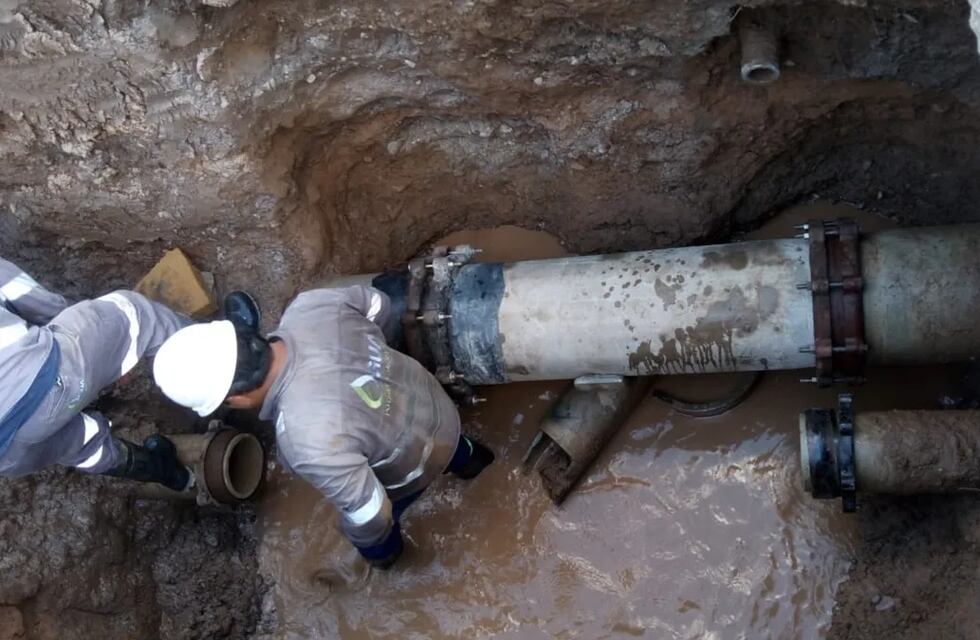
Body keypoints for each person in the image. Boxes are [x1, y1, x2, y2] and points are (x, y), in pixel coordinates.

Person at [152, 285, 495, 568]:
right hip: (435, 405)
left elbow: (373, 511)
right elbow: (380, 304)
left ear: (235, 399)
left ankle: (394, 562)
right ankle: (481, 466)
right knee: (456, 449)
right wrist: (369, 351)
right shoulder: (309, 305)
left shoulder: (304, 437)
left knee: (374, 534)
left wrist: (362, 541)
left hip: (411, 468)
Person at [0, 256, 194, 490]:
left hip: (9, 455)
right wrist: (111, 356)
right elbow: (43, 307)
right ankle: (234, 366)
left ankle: (172, 475)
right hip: (41, 380)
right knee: (135, 316)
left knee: (86, 447)